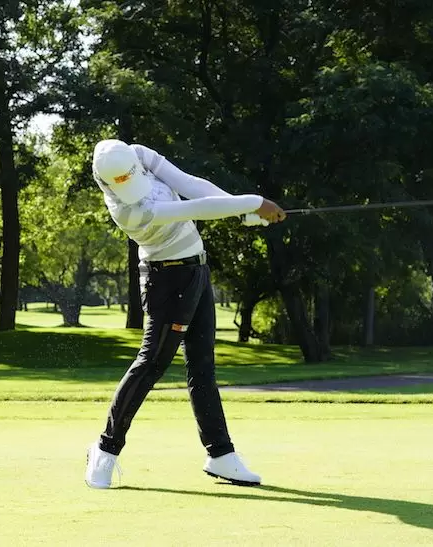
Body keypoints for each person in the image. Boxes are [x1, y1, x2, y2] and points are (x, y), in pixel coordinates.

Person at [85, 139, 286, 489]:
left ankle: (220, 454)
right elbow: (194, 208)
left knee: (203, 366)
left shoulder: (139, 154)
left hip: (197, 271)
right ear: (106, 182)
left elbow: (191, 185)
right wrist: (252, 203)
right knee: (152, 364)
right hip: (167, 281)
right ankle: (105, 450)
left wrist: (240, 210)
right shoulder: (127, 211)